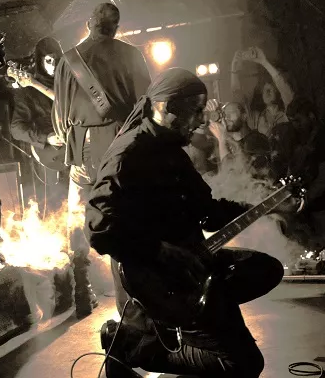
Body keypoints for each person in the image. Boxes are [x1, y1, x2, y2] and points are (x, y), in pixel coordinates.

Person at [87, 68, 284, 378]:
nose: (203, 120)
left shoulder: (174, 153)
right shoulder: (128, 155)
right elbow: (99, 228)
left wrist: (263, 207)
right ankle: (132, 345)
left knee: (265, 270)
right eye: (196, 110)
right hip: (158, 283)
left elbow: (207, 211)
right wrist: (159, 251)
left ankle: (185, 328)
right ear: (167, 108)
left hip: (192, 268)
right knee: (242, 364)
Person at [52, 2, 151, 318]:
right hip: (119, 146)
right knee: (121, 220)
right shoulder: (131, 55)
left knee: (77, 218)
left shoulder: (68, 60)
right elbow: (146, 107)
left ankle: (82, 290)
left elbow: (60, 121)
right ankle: (130, 306)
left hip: (82, 150)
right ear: (116, 27)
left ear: (89, 24)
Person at [9, 37, 66, 212]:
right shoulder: (28, 91)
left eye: (56, 59)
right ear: (40, 61)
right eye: (48, 60)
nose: (53, 65)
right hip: (52, 154)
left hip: (78, 153)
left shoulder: (69, 84)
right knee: (55, 207)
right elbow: (16, 128)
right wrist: (46, 138)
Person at [284, 97, 325, 250]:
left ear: (311, 116)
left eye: (298, 120)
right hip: (311, 211)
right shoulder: (300, 138)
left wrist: (304, 200)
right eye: (292, 121)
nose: (295, 126)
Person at [231, 46, 294, 137]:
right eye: (265, 90)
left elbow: (282, 85)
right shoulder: (256, 119)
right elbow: (238, 97)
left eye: (271, 89)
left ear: (279, 93)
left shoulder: (288, 112)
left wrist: (264, 62)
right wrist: (234, 69)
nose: (267, 92)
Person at [207, 100, 273, 180]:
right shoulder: (230, 143)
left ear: (244, 116)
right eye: (224, 114)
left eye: (231, 113)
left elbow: (234, 172)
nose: (226, 117)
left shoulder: (256, 139)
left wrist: (222, 139)